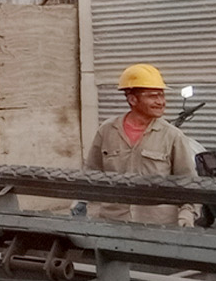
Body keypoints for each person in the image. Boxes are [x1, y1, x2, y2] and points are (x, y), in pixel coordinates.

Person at [83, 64, 198, 226]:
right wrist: (93, 211)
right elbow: (91, 176)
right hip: (112, 224)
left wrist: (187, 214)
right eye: (153, 96)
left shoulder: (172, 136)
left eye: (162, 95)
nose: (161, 102)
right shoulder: (107, 131)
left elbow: (189, 183)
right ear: (132, 99)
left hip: (158, 227)